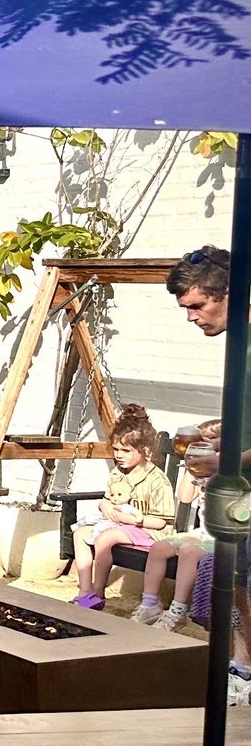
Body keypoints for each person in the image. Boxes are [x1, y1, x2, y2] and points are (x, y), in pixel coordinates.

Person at [162, 245, 251, 671]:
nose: (191, 316)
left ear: (230, 293)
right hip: (242, 498)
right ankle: (245, 667)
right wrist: (223, 432)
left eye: (197, 305)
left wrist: (231, 462)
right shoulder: (240, 343)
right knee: (240, 584)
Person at [72, 404, 176, 610]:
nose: (119, 455)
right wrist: (105, 505)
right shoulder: (118, 473)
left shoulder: (157, 481)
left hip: (150, 532)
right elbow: (108, 500)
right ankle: (85, 591)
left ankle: (98, 593)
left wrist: (134, 520)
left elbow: (161, 521)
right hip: (120, 527)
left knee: (105, 538)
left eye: (126, 451)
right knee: (80, 534)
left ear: (144, 450)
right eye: (116, 449)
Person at [131, 470, 212, 630]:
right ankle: (150, 604)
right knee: (159, 548)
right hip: (201, 533)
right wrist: (192, 469)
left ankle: (178, 611)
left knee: (189, 552)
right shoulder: (205, 465)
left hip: (226, 537)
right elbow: (185, 498)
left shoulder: (235, 468)